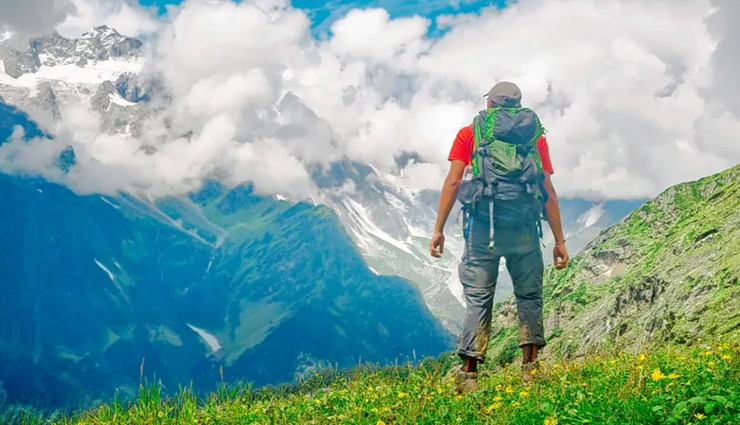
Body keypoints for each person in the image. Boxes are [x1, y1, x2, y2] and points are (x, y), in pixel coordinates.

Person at [429, 81, 569, 393]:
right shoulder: (535, 139)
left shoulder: (470, 133)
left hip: (483, 229)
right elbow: (548, 192)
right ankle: (530, 370)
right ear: (519, 106)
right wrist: (559, 240)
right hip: (524, 229)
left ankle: (469, 375)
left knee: (479, 297)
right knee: (529, 296)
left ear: (490, 105)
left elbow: (453, 183)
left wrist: (438, 229)